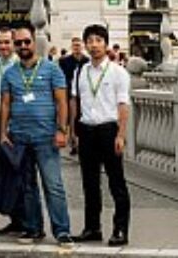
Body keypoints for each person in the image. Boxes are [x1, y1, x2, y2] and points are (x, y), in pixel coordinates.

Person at [0, 22, 72, 248]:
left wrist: (62, 131)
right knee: (27, 187)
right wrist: (3, 132)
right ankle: (33, 228)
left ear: (34, 42)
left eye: (26, 41)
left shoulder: (52, 69)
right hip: (20, 138)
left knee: (54, 186)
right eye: (18, 42)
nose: (22, 46)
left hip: (46, 138)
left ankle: (62, 231)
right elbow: (5, 104)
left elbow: (62, 102)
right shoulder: (10, 73)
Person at [69, 24, 130, 247]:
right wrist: (72, 130)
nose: (94, 45)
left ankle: (121, 229)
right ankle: (92, 227)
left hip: (108, 129)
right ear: (85, 44)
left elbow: (123, 106)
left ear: (105, 43)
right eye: (90, 41)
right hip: (86, 129)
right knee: (89, 182)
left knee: (116, 182)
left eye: (98, 40)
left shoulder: (117, 72)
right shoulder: (81, 72)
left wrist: (121, 135)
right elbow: (74, 101)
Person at [0, 24, 23, 236]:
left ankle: (27, 219)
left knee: (21, 176)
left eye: (6, 42)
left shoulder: (21, 65)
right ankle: (15, 218)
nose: (3, 46)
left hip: (17, 128)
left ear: (14, 43)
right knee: (6, 176)